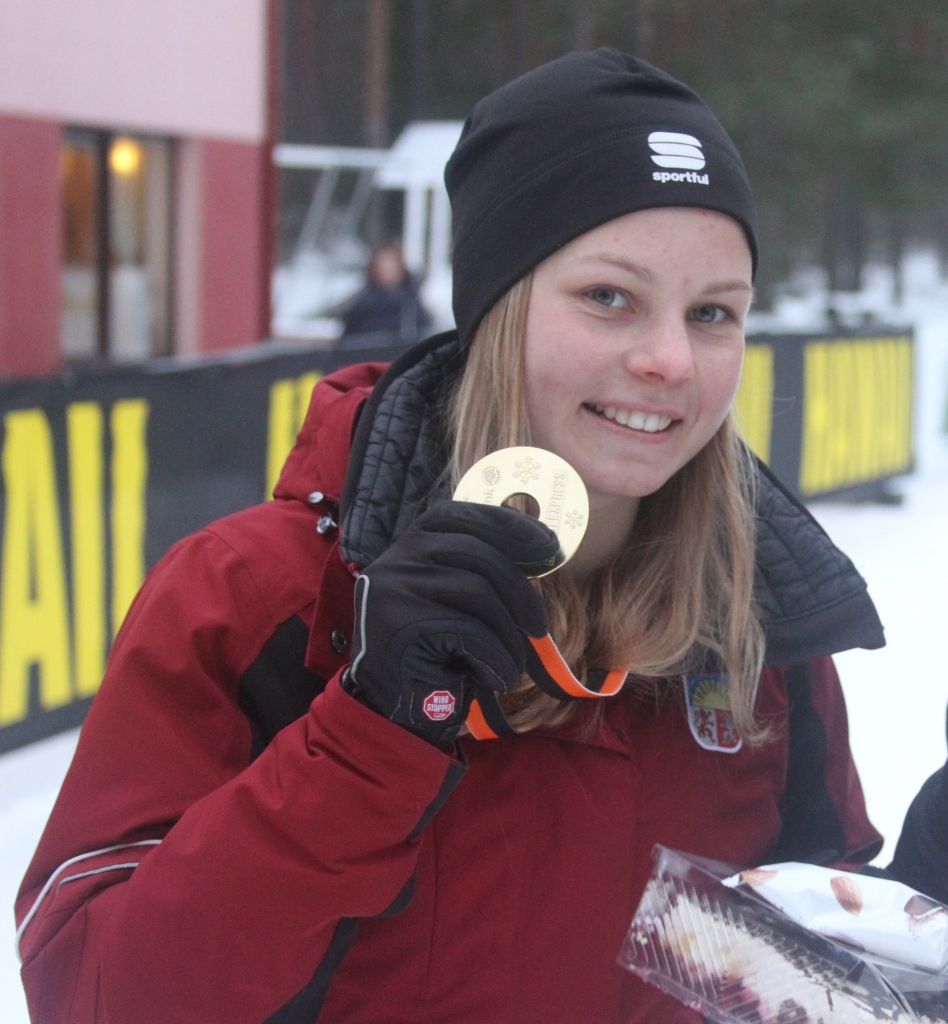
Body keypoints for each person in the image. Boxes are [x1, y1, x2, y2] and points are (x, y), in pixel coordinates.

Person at [15, 50, 894, 1024]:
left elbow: (809, 971)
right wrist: (367, 739)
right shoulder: (257, 595)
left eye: (713, 312)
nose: (669, 360)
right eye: (609, 296)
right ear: (497, 309)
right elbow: (92, 999)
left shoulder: (754, 613)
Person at [338, 242, 432, 346]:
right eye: (383, 265)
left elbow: (424, 334)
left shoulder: (411, 304)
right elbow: (348, 340)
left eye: (391, 265)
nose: (387, 270)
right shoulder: (362, 303)